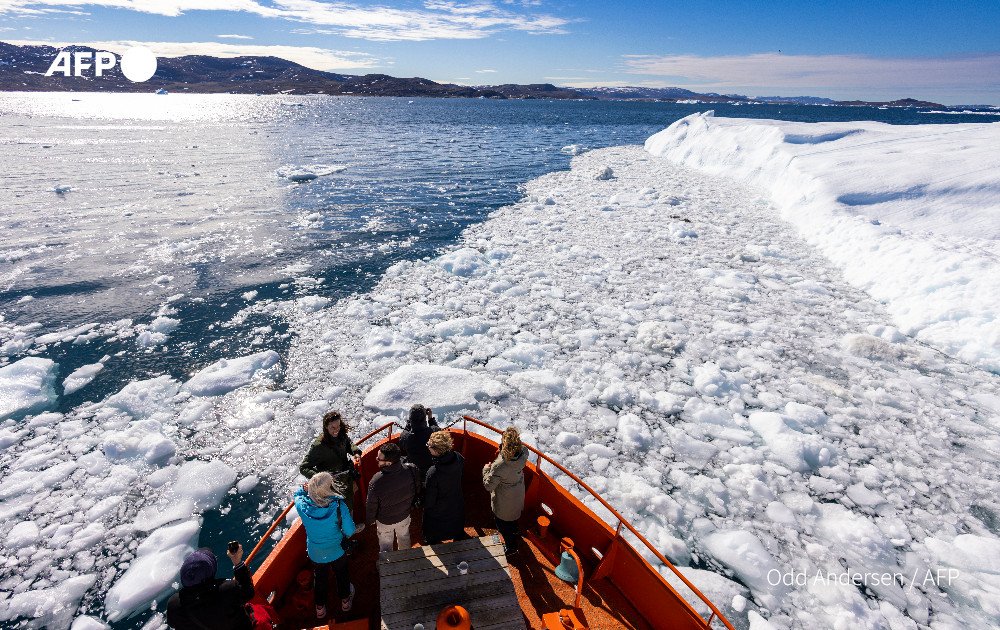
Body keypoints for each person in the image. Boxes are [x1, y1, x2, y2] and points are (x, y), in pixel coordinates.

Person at [294, 472, 357, 619]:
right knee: (342, 573)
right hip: (337, 550)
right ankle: (345, 602)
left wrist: (303, 490)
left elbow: (296, 496)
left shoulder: (302, 506)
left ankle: (320, 609)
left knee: (320, 577)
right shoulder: (339, 506)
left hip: (316, 552)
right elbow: (350, 530)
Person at [167, 543, 255, 629]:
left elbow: (172, 624)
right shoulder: (227, 589)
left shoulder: (173, 603)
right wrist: (237, 562)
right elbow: (248, 592)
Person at [299, 410, 362, 511]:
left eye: (338, 426)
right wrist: (322, 478)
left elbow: (348, 443)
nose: (336, 430)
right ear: (326, 427)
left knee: (350, 503)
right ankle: (345, 526)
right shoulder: (319, 446)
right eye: (333, 427)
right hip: (332, 485)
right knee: (341, 509)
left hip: (346, 477)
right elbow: (303, 467)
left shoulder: (341, 434)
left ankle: (350, 525)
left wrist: (355, 452)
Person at [482, 426, 530, 556]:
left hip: (504, 501)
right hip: (517, 494)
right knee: (513, 518)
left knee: (503, 525)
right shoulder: (524, 452)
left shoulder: (500, 465)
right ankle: (514, 530)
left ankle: (511, 547)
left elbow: (488, 486)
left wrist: (486, 470)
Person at [365, 442, 419, 553]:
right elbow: (416, 489)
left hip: (385, 522)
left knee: (386, 543)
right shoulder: (411, 469)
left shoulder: (376, 481)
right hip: (404, 515)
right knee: (404, 537)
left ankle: (388, 566)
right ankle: (405, 559)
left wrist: (370, 520)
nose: (377, 460)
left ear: (389, 463)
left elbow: (371, 505)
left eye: (379, 459)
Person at [422, 430, 465, 545]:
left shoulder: (433, 473)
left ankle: (432, 540)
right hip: (456, 499)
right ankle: (458, 535)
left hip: (439, 508)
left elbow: (430, 500)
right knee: (456, 519)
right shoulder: (458, 457)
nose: (427, 446)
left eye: (429, 445)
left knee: (431, 524)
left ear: (436, 450)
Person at [399, 404, 439, 480]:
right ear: (424, 419)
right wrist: (430, 418)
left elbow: (404, 435)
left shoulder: (405, 437)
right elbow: (437, 429)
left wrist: (409, 422)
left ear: (411, 419)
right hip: (432, 470)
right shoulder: (434, 432)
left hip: (414, 471)